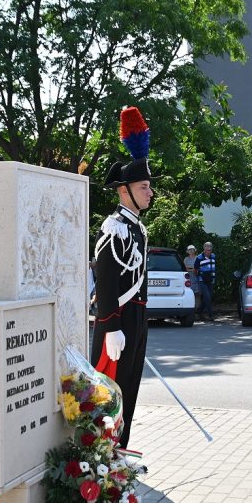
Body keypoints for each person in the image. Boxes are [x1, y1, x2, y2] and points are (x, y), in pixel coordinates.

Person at [91, 106, 155, 449]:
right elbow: (106, 282)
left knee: (130, 387)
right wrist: (111, 325)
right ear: (124, 190)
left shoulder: (136, 228)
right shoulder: (114, 229)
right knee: (110, 390)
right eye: (144, 187)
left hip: (137, 317)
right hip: (118, 320)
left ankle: (119, 448)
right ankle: (102, 454)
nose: (150, 193)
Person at [194, 242, 216, 321]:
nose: (208, 251)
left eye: (210, 250)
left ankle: (198, 312)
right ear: (204, 249)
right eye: (207, 250)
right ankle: (211, 315)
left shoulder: (213, 256)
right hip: (202, 280)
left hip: (210, 279)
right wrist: (200, 274)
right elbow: (195, 270)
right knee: (207, 297)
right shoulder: (199, 258)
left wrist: (212, 277)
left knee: (208, 298)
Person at [184, 245, 200, 312]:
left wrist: (193, 269)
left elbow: (199, 268)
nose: (191, 251)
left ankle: (198, 311)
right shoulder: (186, 259)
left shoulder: (198, 258)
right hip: (188, 280)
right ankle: (190, 311)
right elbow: (184, 268)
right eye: (189, 249)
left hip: (197, 279)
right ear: (187, 251)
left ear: (195, 250)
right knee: (189, 295)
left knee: (197, 295)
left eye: (192, 249)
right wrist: (192, 269)